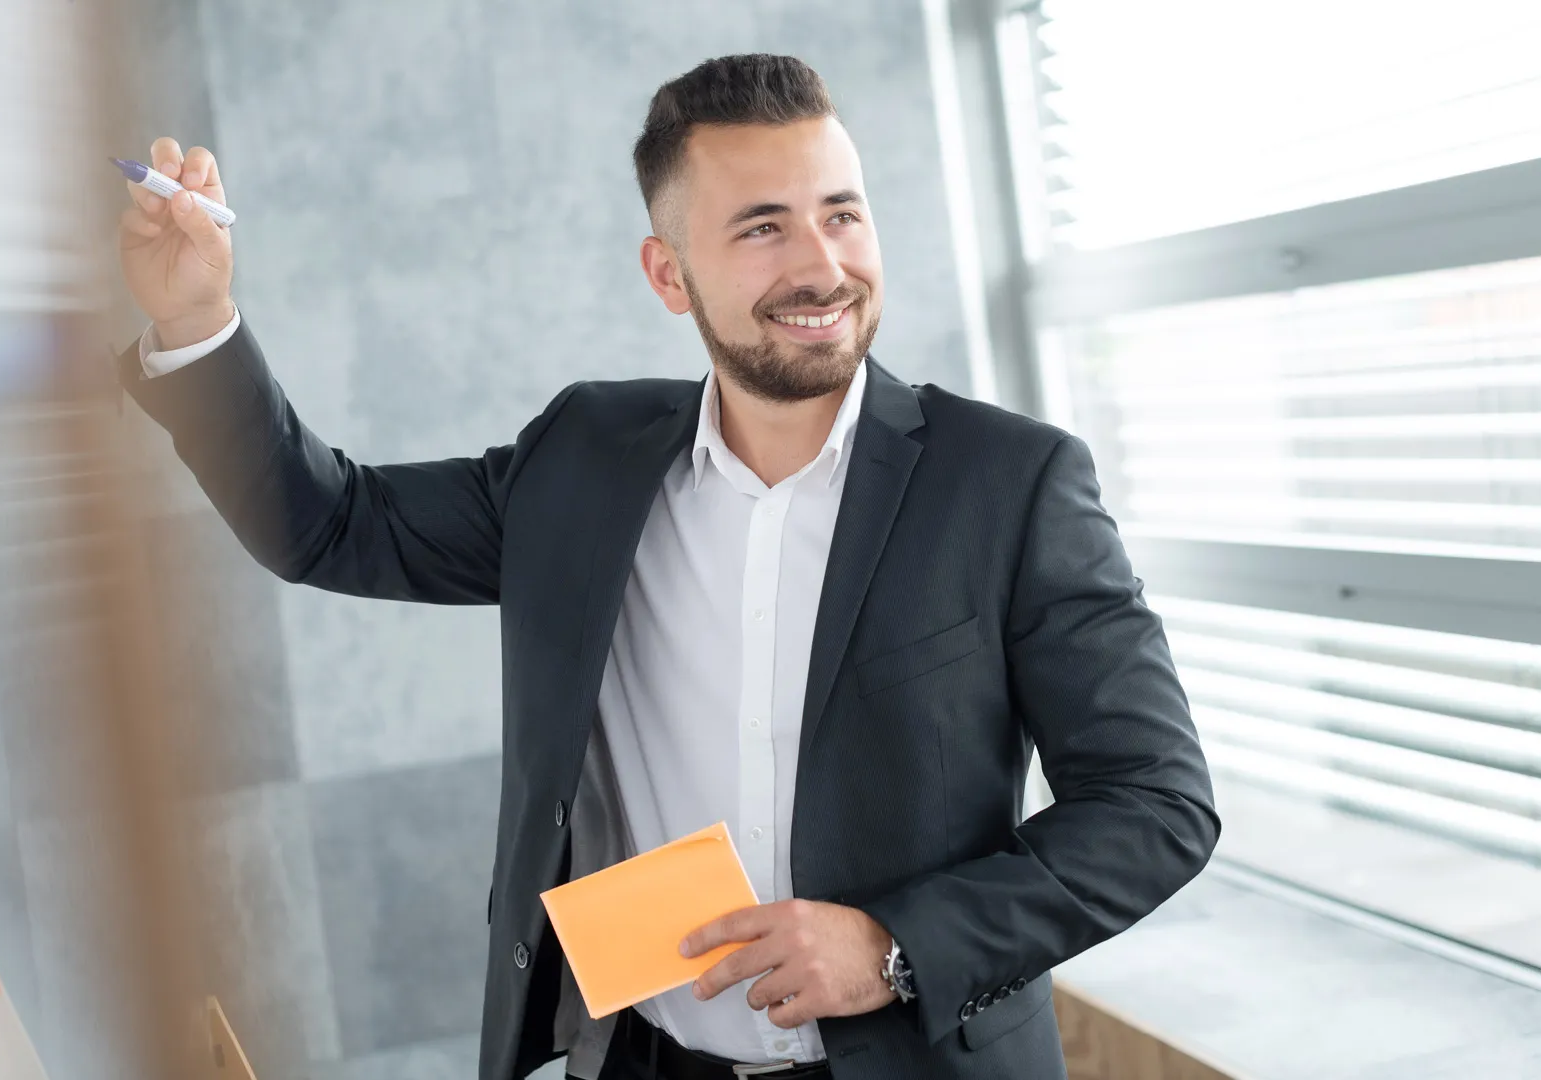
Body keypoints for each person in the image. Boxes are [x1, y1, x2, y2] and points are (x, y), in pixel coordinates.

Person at [116, 53, 1216, 1080]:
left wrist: (894, 947)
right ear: (669, 272)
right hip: (644, 1060)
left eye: (842, 213)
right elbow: (332, 521)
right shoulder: (583, 461)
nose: (822, 264)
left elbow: (1157, 802)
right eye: (762, 229)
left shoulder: (1010, 483)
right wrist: (199, 319)